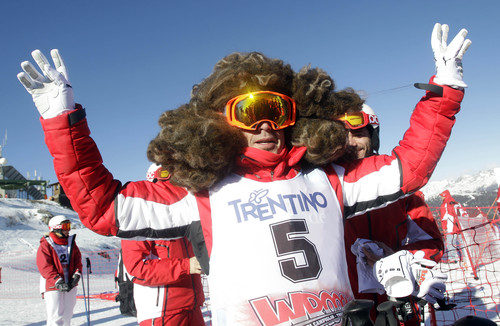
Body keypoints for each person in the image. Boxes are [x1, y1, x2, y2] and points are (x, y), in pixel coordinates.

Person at [18, 23, 470, 325]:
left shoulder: (329, 179)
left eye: (276, 109)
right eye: (247, 111)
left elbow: (410, 168)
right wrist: (63, 120)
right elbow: (102, 207)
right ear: (221, 124)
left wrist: (445, 93)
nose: (265, 124)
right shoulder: (202, 195)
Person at [340, 104, 444, 325]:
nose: (350, 143)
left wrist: (401, 258)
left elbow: (432, 243)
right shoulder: (324, 190)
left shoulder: (399, 191)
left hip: (398, 298)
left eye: (358, 134)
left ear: (373, 136)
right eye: (342, 136)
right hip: (348, 307)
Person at [119, 164, 205, 325]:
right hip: (162, 312)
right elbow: (137, 268)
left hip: (192, 304)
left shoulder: (185, 214)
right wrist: (186, 266)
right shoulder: (138, 217)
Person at [36, 215, 82, 326]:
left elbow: (77, 261)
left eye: (69, 226)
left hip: (70, 283)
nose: (68, 230)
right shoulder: (46, 244)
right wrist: (57, 280)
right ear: (56, 228)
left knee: (67, 314)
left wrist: (76, 274)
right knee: (56, 316)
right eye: (65, 227)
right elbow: (44, 266)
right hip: (53, 285)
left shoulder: (71, 243)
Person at [439, 190, 465, 262]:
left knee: (450, 243)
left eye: (441, 196)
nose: (441, 198)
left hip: (450, 226)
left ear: (444, 196)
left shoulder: (444, 205)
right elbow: (463, 213)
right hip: (459, 226)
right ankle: (464, 257)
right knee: (461, 243)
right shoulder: (457, 203)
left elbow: (444, 218)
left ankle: (452, 258)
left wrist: (444, 228)